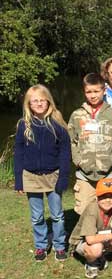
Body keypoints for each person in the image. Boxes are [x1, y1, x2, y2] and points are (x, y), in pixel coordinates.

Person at [14, 85, 71, 262]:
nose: (39, 103)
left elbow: (65, 153)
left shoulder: (57, 124)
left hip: (53, 175)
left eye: (42, 100)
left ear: (48, 101)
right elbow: (19, 153)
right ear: (29, 104)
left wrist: (63, 178)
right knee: (37, 216)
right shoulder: (24, 124)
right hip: (30, 176)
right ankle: (40, 245)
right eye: (34, 101)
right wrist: (19, 180)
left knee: (57, 215)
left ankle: (59, 245)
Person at [68, 73, 112, 215]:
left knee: (110, 210)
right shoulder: (77, 115)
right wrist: (78, 161)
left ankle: (108, 237)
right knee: (84, 210)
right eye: (89, 92)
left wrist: (110, 161)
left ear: (104, 91)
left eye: (96, 91)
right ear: (84, 92)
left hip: (108, 174)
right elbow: (72, 141)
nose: (92, 95)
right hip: (84, 175)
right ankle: (86, 237)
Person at [69, 178, 112, 279]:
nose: (108, 200)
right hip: (83, 241)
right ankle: (91, 263)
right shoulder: (92, 210)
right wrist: (111, 236)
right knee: (96, 248)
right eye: (103, 196)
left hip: (102, 236)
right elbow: (90, 239)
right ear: (97, 197)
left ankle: (102, 255)